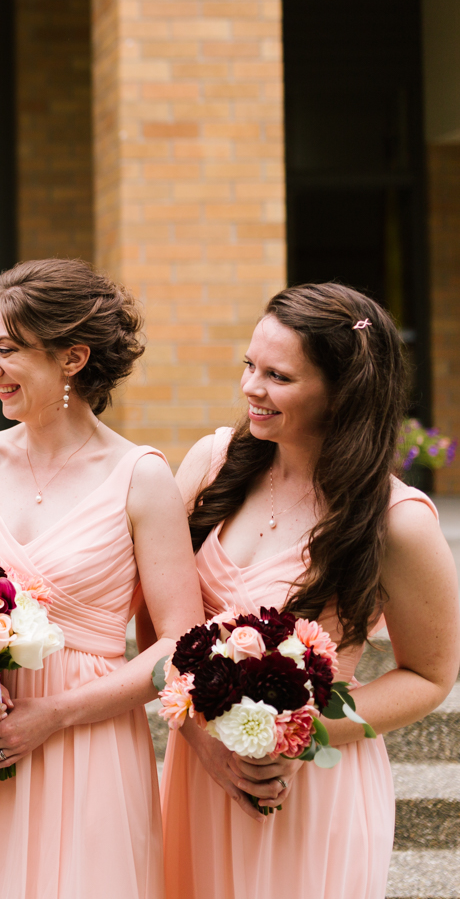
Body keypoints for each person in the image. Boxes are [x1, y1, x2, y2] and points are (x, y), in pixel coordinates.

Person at [158, 283, 460, 898]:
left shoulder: (396, 519)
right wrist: (205, 745)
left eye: (278, 376)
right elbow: (161, 629)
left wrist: (297, 734)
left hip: (308, 785)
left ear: (341, 392)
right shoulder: (212, 463)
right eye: (249, 365)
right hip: (197, 772)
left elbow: (431, 676)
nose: (250, 388)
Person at [0, 258, 204, 899]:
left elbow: (182, 645)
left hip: (91, 744)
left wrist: (54, 715)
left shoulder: (140, 477)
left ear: (73, 358)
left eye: (6, 350)